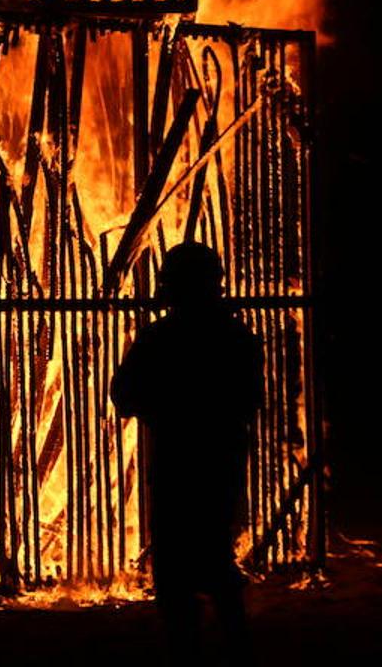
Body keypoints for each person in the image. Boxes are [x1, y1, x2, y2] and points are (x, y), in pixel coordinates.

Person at [111, 242, 264, 665]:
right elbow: (249, 398)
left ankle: (194, 649)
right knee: (212, 554)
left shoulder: (161, 339)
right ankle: (231, 644)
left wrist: (164, 408)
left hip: (180, 461)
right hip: (219, 460)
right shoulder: (237, 338)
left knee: (182, 563)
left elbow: (124, 395)